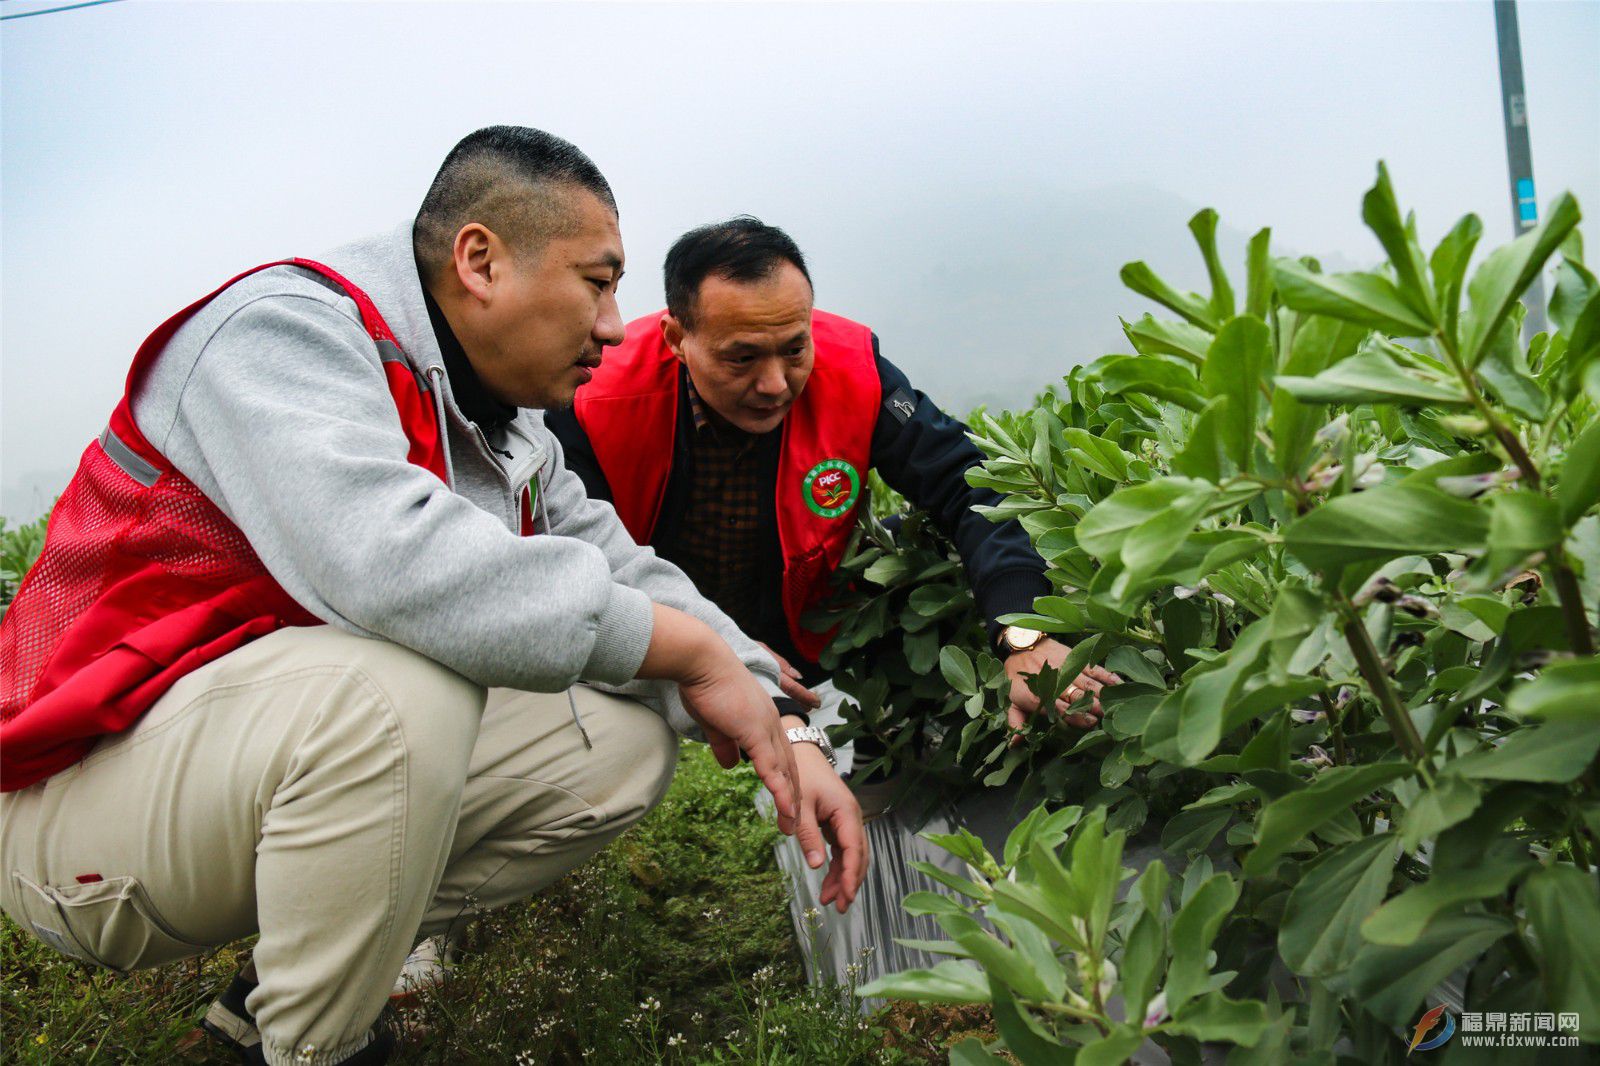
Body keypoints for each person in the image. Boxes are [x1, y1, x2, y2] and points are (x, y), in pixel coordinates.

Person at [0, 128, 865, 1066]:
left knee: (614, 746)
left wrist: (786, 722)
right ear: (480, 260)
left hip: (224, 777)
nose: (617, 327)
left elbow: (618, 566)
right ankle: (318, 1052)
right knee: (396, 690)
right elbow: (396, 566)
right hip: (72, 804)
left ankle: (276, 1002)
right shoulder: (280, 336)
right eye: (597, 282)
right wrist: (687, 655)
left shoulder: (500, 423)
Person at [546, 217, 1119, 773]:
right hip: (665, 621)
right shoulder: (597, 397)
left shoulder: (852, 368)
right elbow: (581, 565)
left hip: (806, 610)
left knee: (921, 560)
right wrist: (712, 652)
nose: (775, 384)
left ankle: (889, 749)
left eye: (795, 350)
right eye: (742, 358)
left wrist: (1022, 633)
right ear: (677, 338)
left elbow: (965, 481)